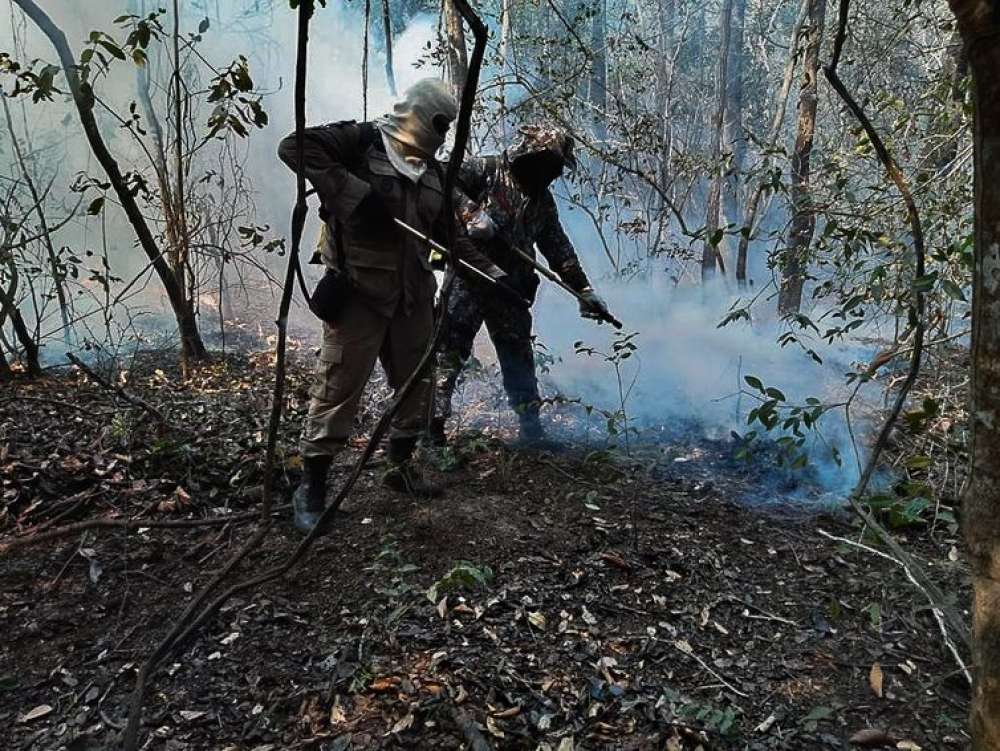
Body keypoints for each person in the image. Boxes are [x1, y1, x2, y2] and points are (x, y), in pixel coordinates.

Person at [277, 78, 507, 532]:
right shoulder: (360, 142)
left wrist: (492, 275)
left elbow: (451, 238)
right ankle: (313, 487)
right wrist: (357, 196)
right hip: (359, 293)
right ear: (419, 112)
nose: (442, 133)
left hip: (413, 296)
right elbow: (294, 147)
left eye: (448, 126)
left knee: (417, 384)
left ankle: (398, 467)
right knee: (339, 388)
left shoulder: (435, 174)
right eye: (439, 122)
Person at [431, 124, 612, 446]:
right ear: (532, 155)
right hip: (468, 280)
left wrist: (583, 290)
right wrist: (469, 211)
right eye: (552, 164)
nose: (555, 173)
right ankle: (432, 430)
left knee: (518, 357)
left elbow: (558, 248)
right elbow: (440, 182)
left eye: (559, 168)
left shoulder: (542, 202)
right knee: (448, 352)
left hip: (511, 288)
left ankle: (531, 430)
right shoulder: (484, 170)